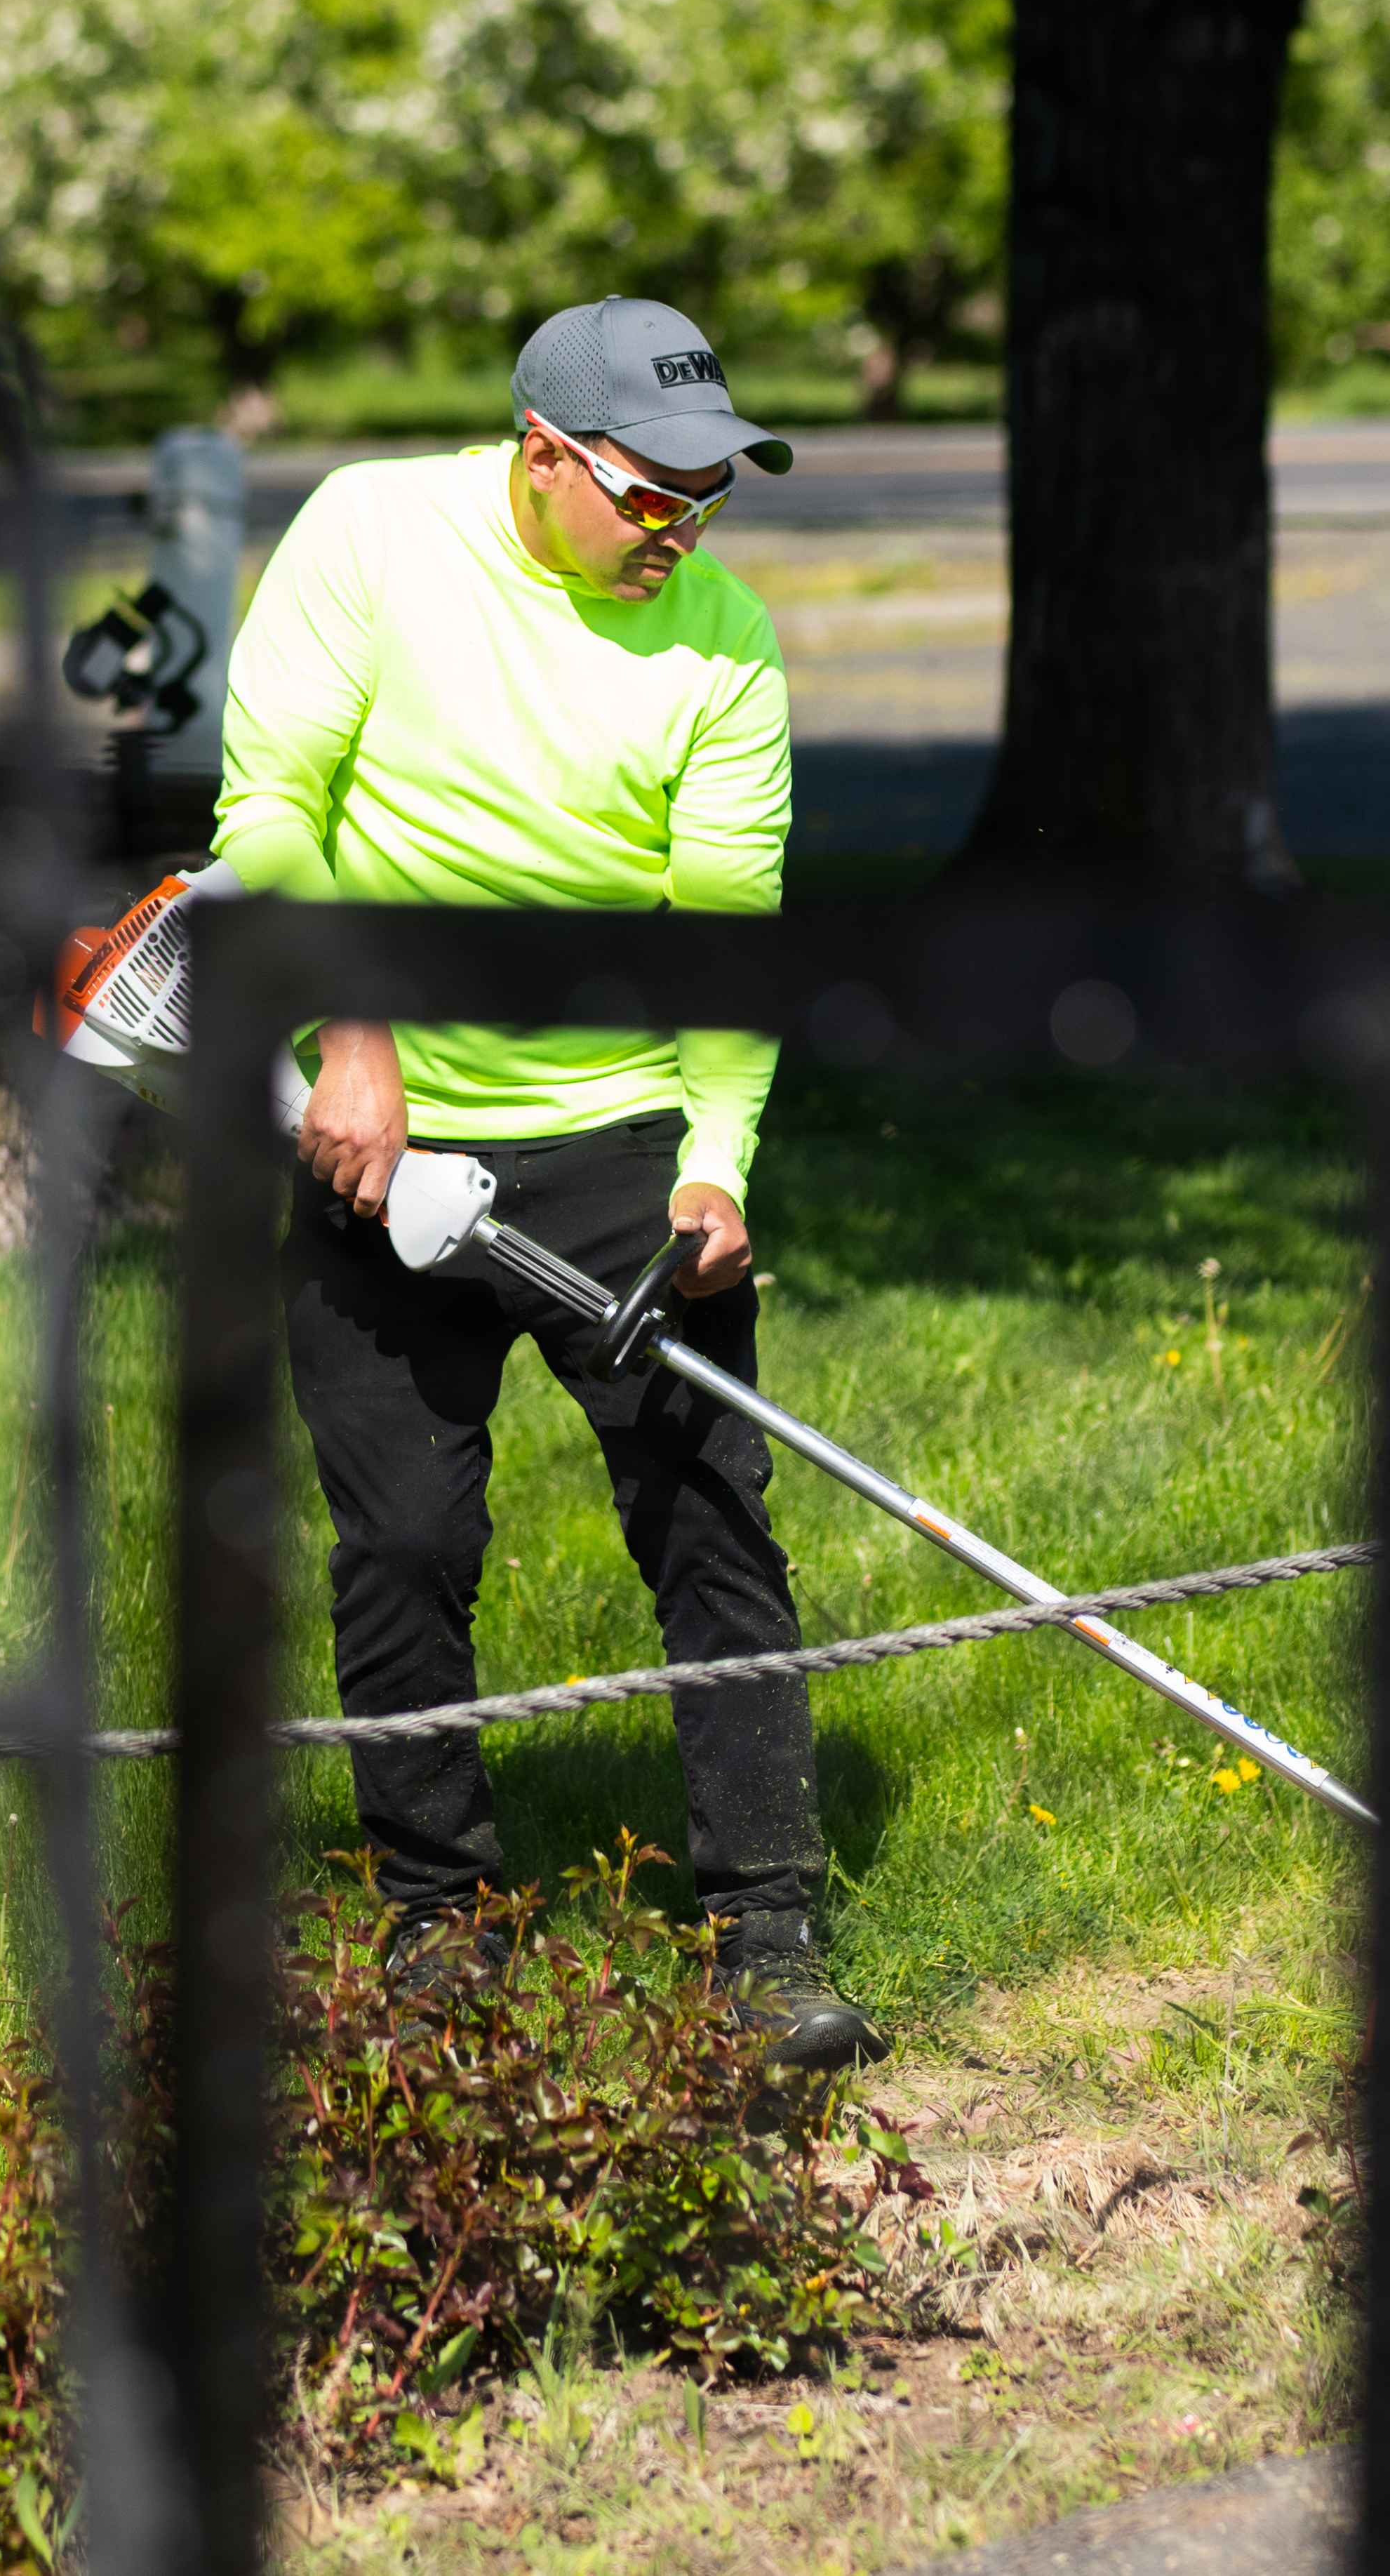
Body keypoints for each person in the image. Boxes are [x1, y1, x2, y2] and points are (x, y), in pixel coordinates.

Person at [206, 294, 876, 2071]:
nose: (683, 530)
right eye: (652, 493)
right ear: (542, 453)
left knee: (710, 1513)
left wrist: (714, 1174)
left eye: (711, 494)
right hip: (384, 1129)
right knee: (405, 1542)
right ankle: (438, 1927)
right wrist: (352, 1041)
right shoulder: (369, 533)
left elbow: (727, 936)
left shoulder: (725, 643)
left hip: (615, 1132)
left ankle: (767, 1936)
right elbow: (270, 806)